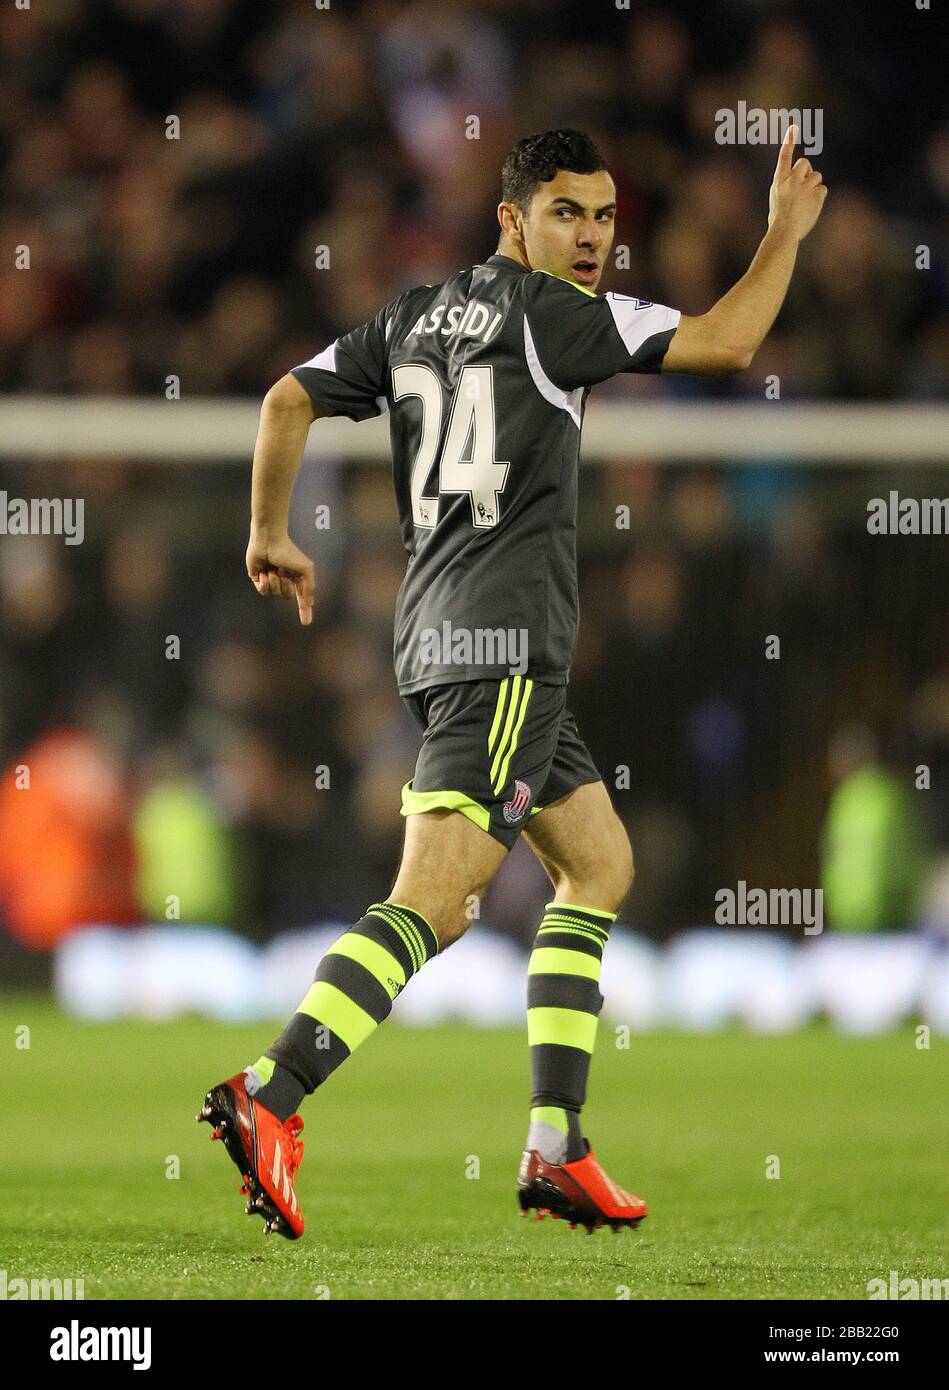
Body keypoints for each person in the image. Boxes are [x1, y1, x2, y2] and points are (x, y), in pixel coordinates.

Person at [198, 125, 827, 1238]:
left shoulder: (406, 316)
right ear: (512, 219)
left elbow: (284, 401)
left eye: (602, 216)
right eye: (565, 214)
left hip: (443, 637)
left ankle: (555, 1146)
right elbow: (728, 344)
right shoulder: (559, 321)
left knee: (599, 865)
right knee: (433, 903)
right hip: (502, 652)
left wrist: (270, 535)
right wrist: (780, 235)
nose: (589, 238)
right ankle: (271, 1093)